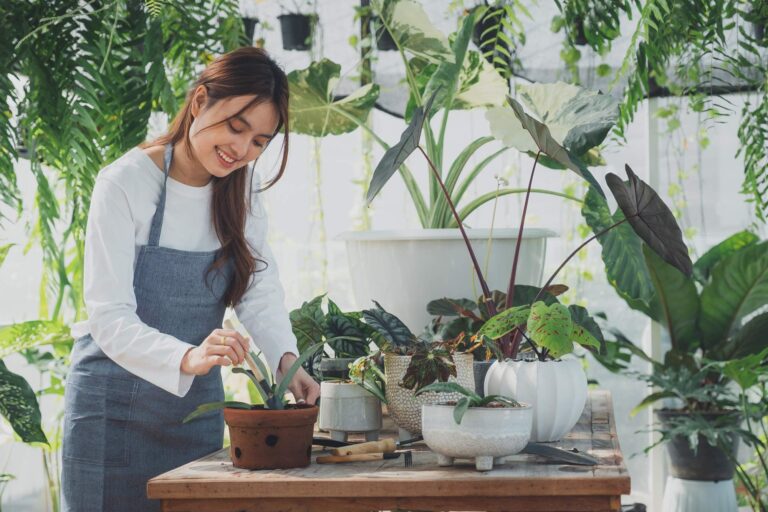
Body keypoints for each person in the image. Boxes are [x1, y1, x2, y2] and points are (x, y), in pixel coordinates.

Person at [61, 46, 319, 512]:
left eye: (259, 141)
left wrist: (286, 360)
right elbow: (108, 316)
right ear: (199, 101)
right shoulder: (124, 182)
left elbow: (257, 287)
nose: (241, 150)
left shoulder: (243, 191)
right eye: (236, 127)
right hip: (109, 411)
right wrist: (189, 355)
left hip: (191, 412)